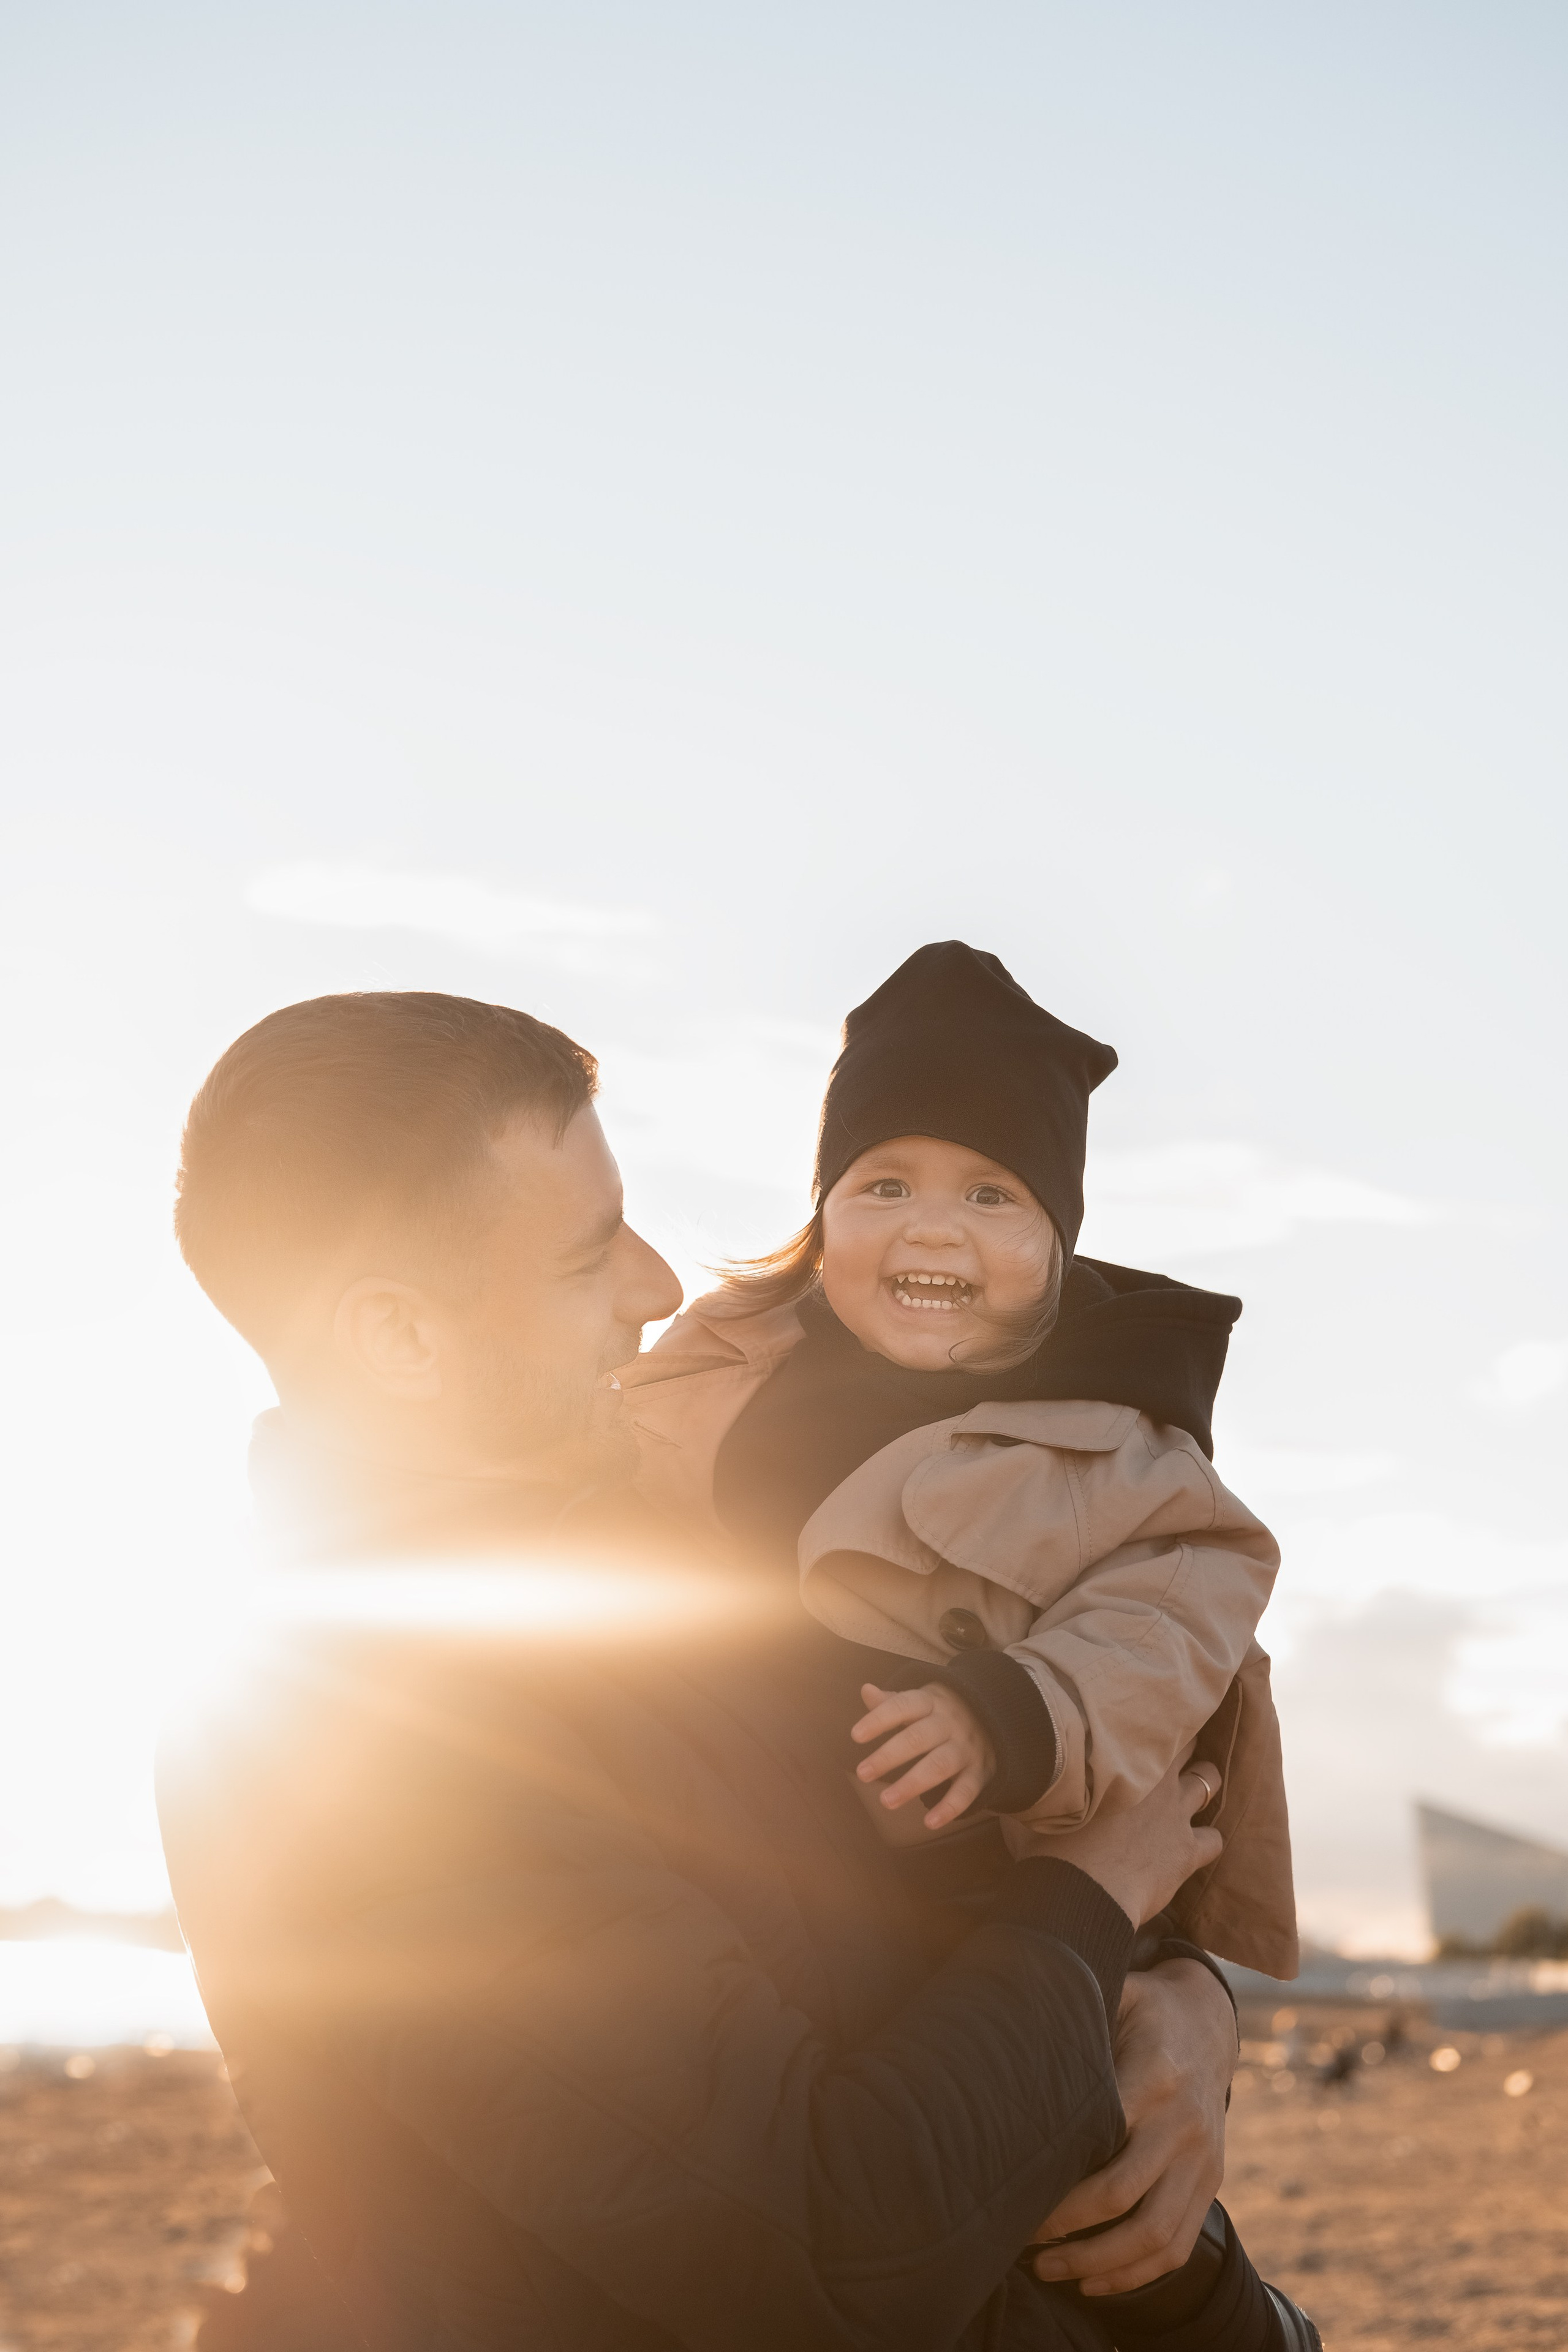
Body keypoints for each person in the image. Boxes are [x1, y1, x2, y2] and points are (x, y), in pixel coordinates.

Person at [159, 989, 1319, 2350]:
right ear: (399, 1335)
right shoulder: (358, 1738)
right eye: (587, 1257)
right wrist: (1085, 1907)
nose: (659, 1290)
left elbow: (927, 1913)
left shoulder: (653, 1569)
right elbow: (825, 2247)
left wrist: (1174, 1999)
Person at [622, 943, 1296, 1977]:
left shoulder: (1118, 1443)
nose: (932, 1228)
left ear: (1059, 1247)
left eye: (992, 1197)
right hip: (725, 1845)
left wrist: (1010, 1716)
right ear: (821, 1220)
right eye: (884, 1184)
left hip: (974, 1895)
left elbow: (1165, 1625)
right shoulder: (723, 1362)